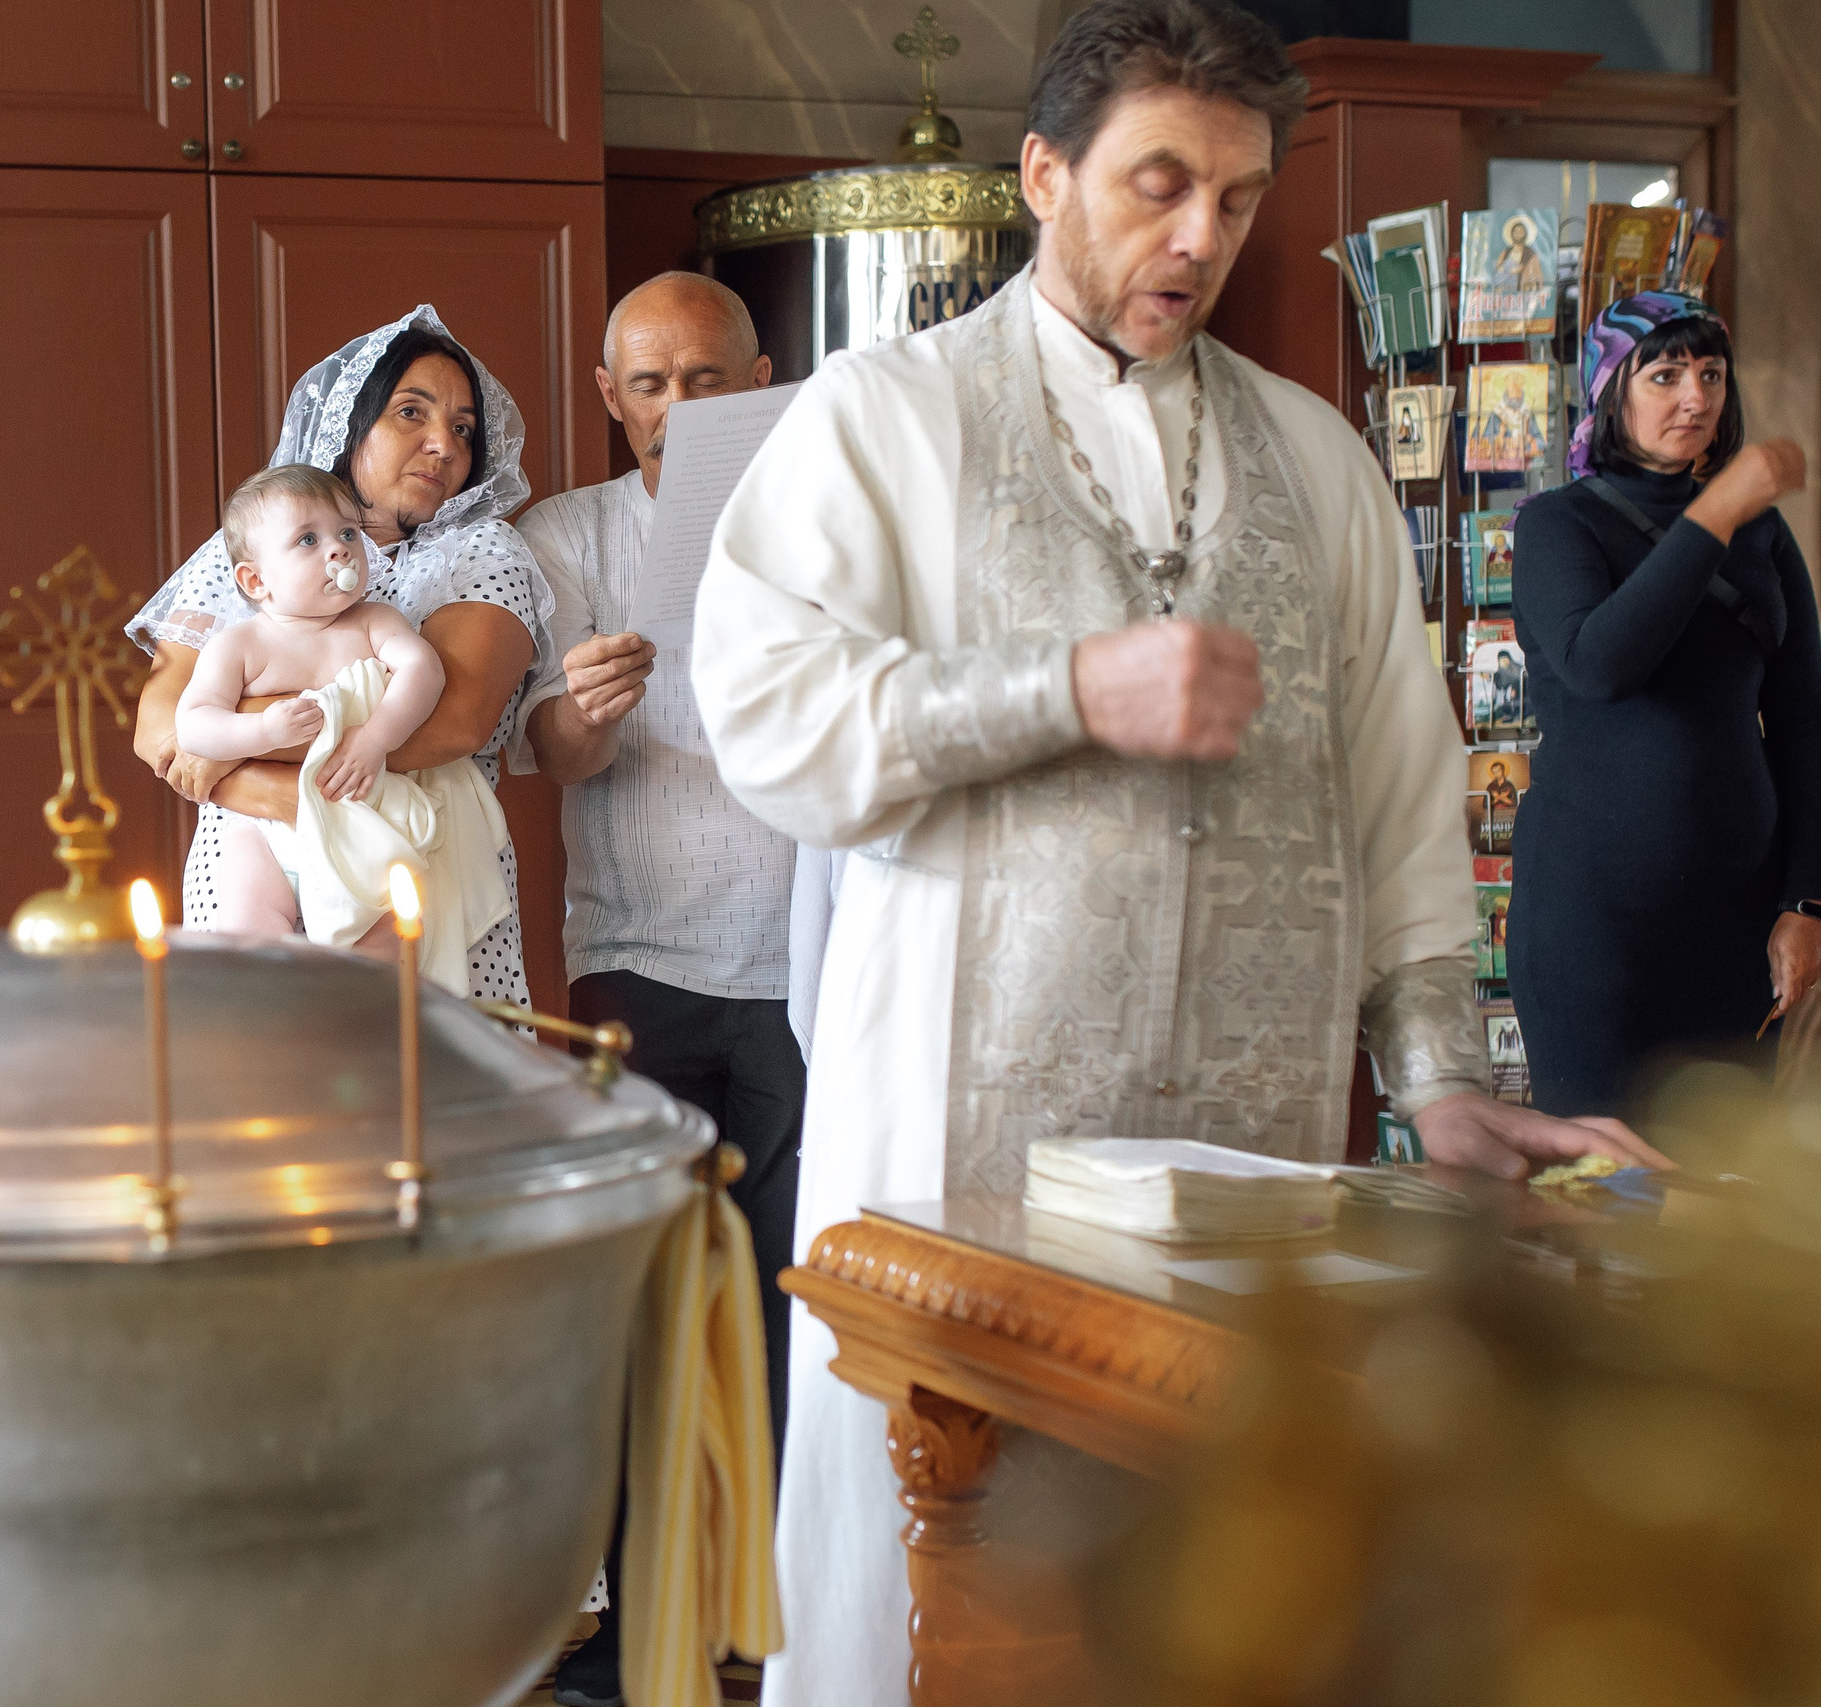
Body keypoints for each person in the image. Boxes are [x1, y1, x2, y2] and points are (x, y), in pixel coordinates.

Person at [688, 4, 1666, 1699]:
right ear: (1045, 174)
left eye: (1238, 195)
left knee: (1206, 1597)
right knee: (931, 1605)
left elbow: (1400, 793)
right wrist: (1063, 688)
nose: (1200, 237)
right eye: (1156, 185)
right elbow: (768, 712)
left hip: (1248, 1158)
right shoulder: (886, 419)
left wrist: (1437, 1076)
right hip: (952, 1142)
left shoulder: (1318, 458)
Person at [511, 270, 800, 1707]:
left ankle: (777, 1635)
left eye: (707, 381)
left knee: (795, 1308)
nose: (681, 411)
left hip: (812, 968)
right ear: (607, 396)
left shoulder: (825, 513)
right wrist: (582, 710)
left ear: (765, 373)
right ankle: (637, 1647)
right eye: (649, 385)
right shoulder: (567, 535)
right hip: (637, 970)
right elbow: (544, 757)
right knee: (647, 1315)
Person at [128, 306, 555, 1012]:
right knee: (264, 1080)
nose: (442, 445)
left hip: (408, 865)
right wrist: (260, 776)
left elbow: (455, 720)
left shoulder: (482, 551)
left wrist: (234, 762)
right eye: (411, 412)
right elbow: (160, 721)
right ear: (348, 425)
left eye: (462, 429)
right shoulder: (256, 542)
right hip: (254, 860)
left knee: (409, 1083)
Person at [1508, 290, 1821, 1115]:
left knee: (1720, 1202)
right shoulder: (1557, 525)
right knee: (1597, 1198)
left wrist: (1808, 902)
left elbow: (1808, 724)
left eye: (1711, 373)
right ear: (1612, 390)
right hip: (1592, 927)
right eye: (1664, 374)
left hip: (1740, 925)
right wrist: (1719, 508)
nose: (1696, 396)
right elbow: (1600, 665)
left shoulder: (1765, 535)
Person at [175, 463, 509, 986]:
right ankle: (272, 1021)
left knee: (382, 952)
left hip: (364, 826)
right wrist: (262, 732)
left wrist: (376, 738)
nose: (338, 549)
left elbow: (424, 671)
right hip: (268, 832)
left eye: (348, 533)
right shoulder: (240, 646)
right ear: (255, 580)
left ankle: (366, 1031)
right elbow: (193, 725)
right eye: (308, 539)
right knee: (247, 937)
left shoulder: (374, 622)